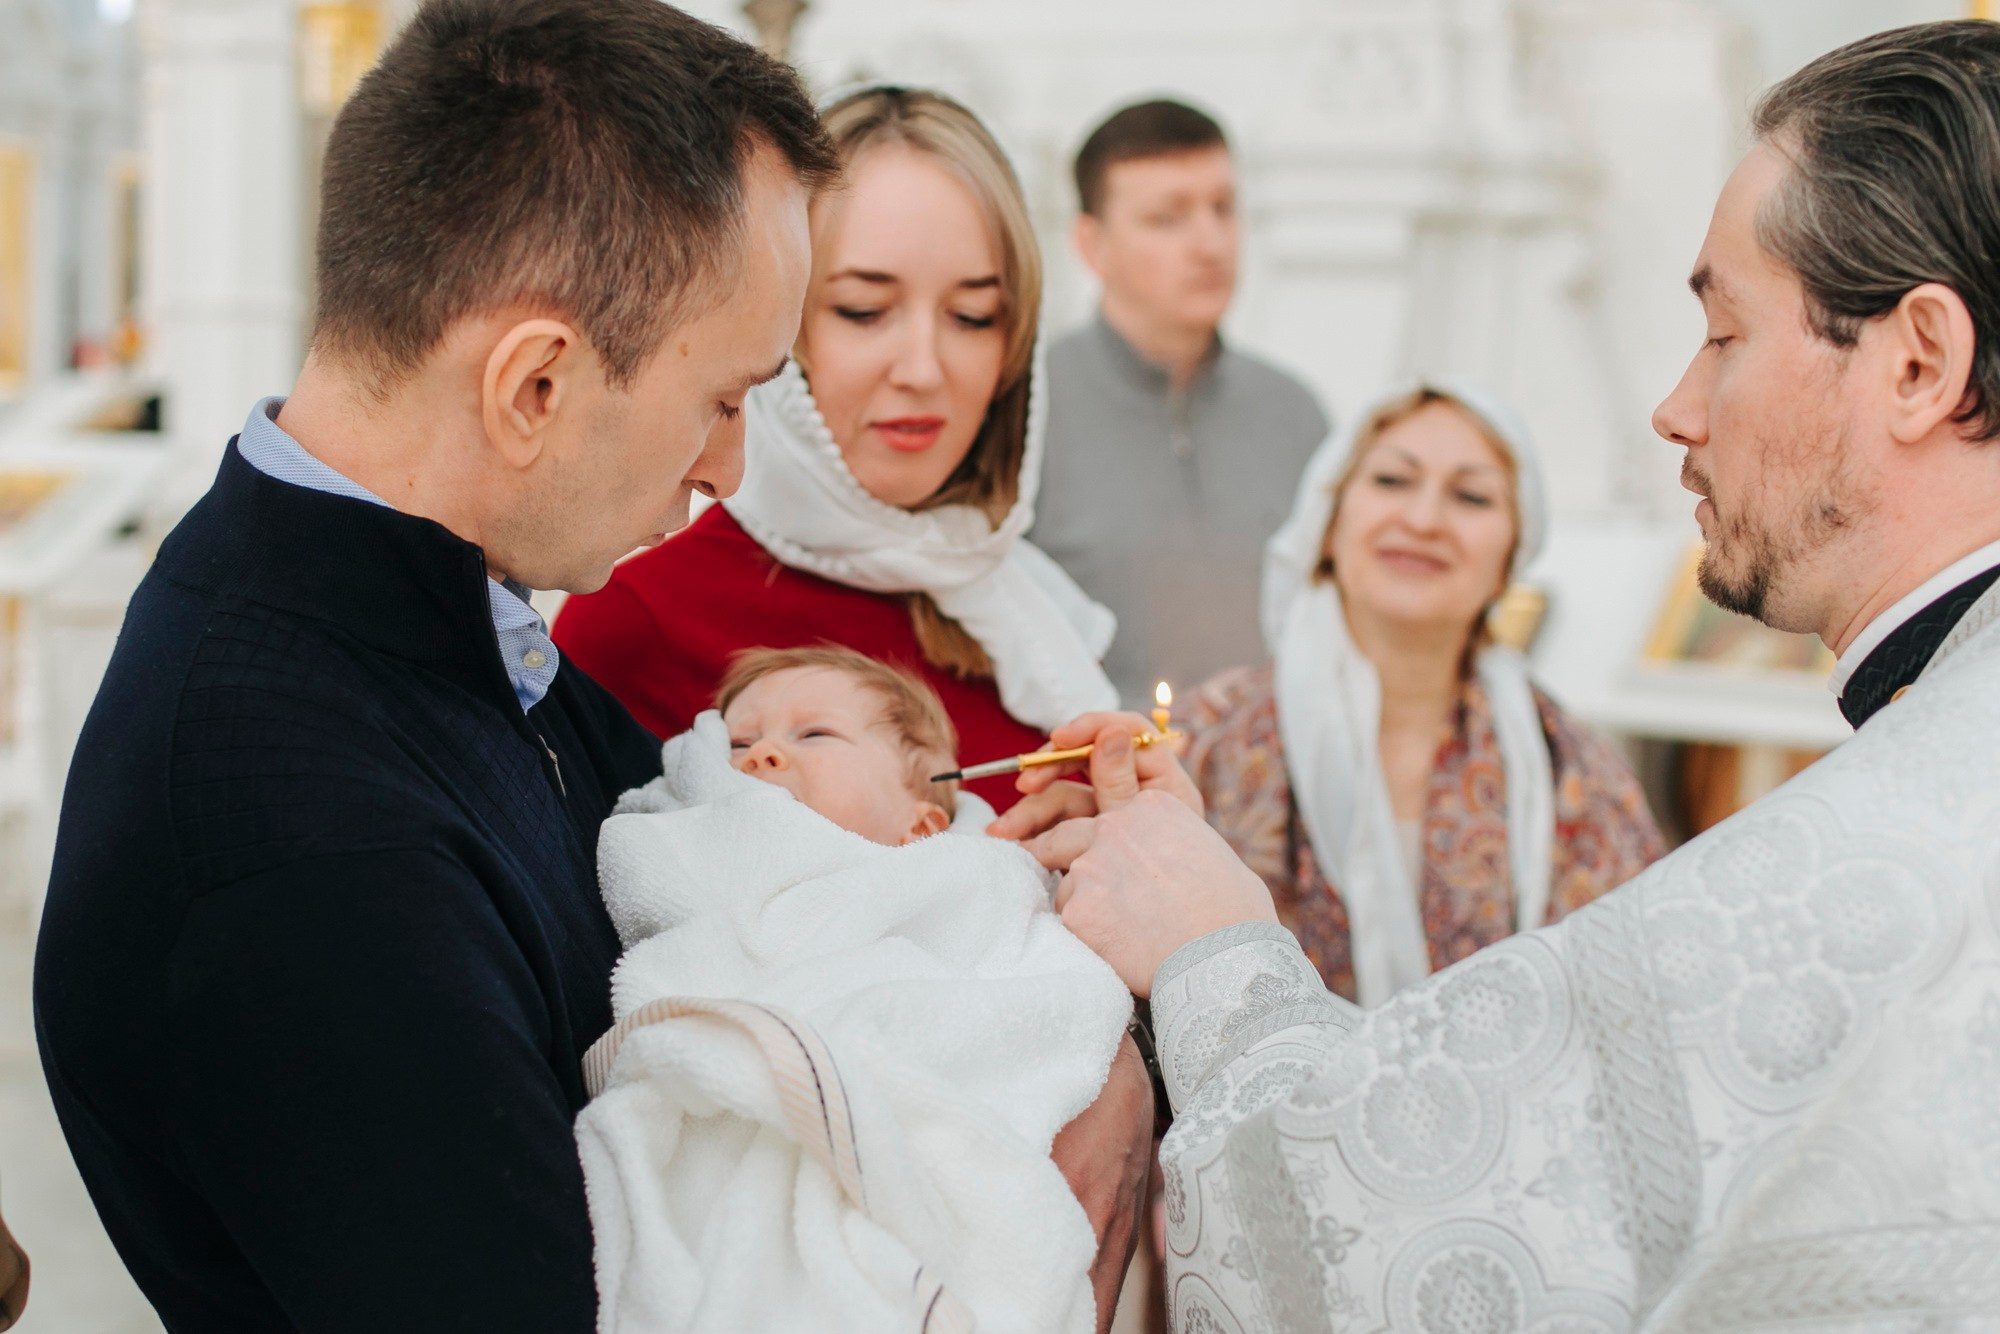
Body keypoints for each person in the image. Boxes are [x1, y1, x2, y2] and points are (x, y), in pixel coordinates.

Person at [32, 6, 1144, 1329]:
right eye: (725, 397)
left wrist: (1013, 936)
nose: (731, 465)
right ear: (536, 385)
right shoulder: (295, 835)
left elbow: (735, 871)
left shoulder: (453, 613)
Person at [1004, 19, 2000, 1328]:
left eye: (1724, 332)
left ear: (1918, 361)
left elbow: (1400, 1217)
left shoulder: (1885, 827)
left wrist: (1207, 946)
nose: (1676, 407)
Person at [554, 86, 1121, 814]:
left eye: (973, 316)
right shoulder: (635, 624)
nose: (922, 368)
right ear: (779, 325)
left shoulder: (1038, 610)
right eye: (864, 309)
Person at [579, 645, 1130, 1331]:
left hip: (898, 1140)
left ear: (920, 824)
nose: (762, 756)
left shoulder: (966, 887)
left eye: (814, 734)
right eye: (738, 742)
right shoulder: (684, 868)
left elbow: (1044, 1009)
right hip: (732, 1131)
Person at [1178, 383, 1661, 1003]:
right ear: (1327, 523)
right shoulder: (1202, 743)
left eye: (1471, 496)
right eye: (1392, 482)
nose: (1424, 520)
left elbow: (1624, 991)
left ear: (1510, 555)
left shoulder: (1576, 774)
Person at [1027, 99, 1329, 707]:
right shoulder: (1026, 410)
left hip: (1271, 783)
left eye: (1223, 209)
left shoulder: (1297, 415)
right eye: (1168, 218)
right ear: (1092, 245)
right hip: (1092, 786)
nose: (1211, 243)